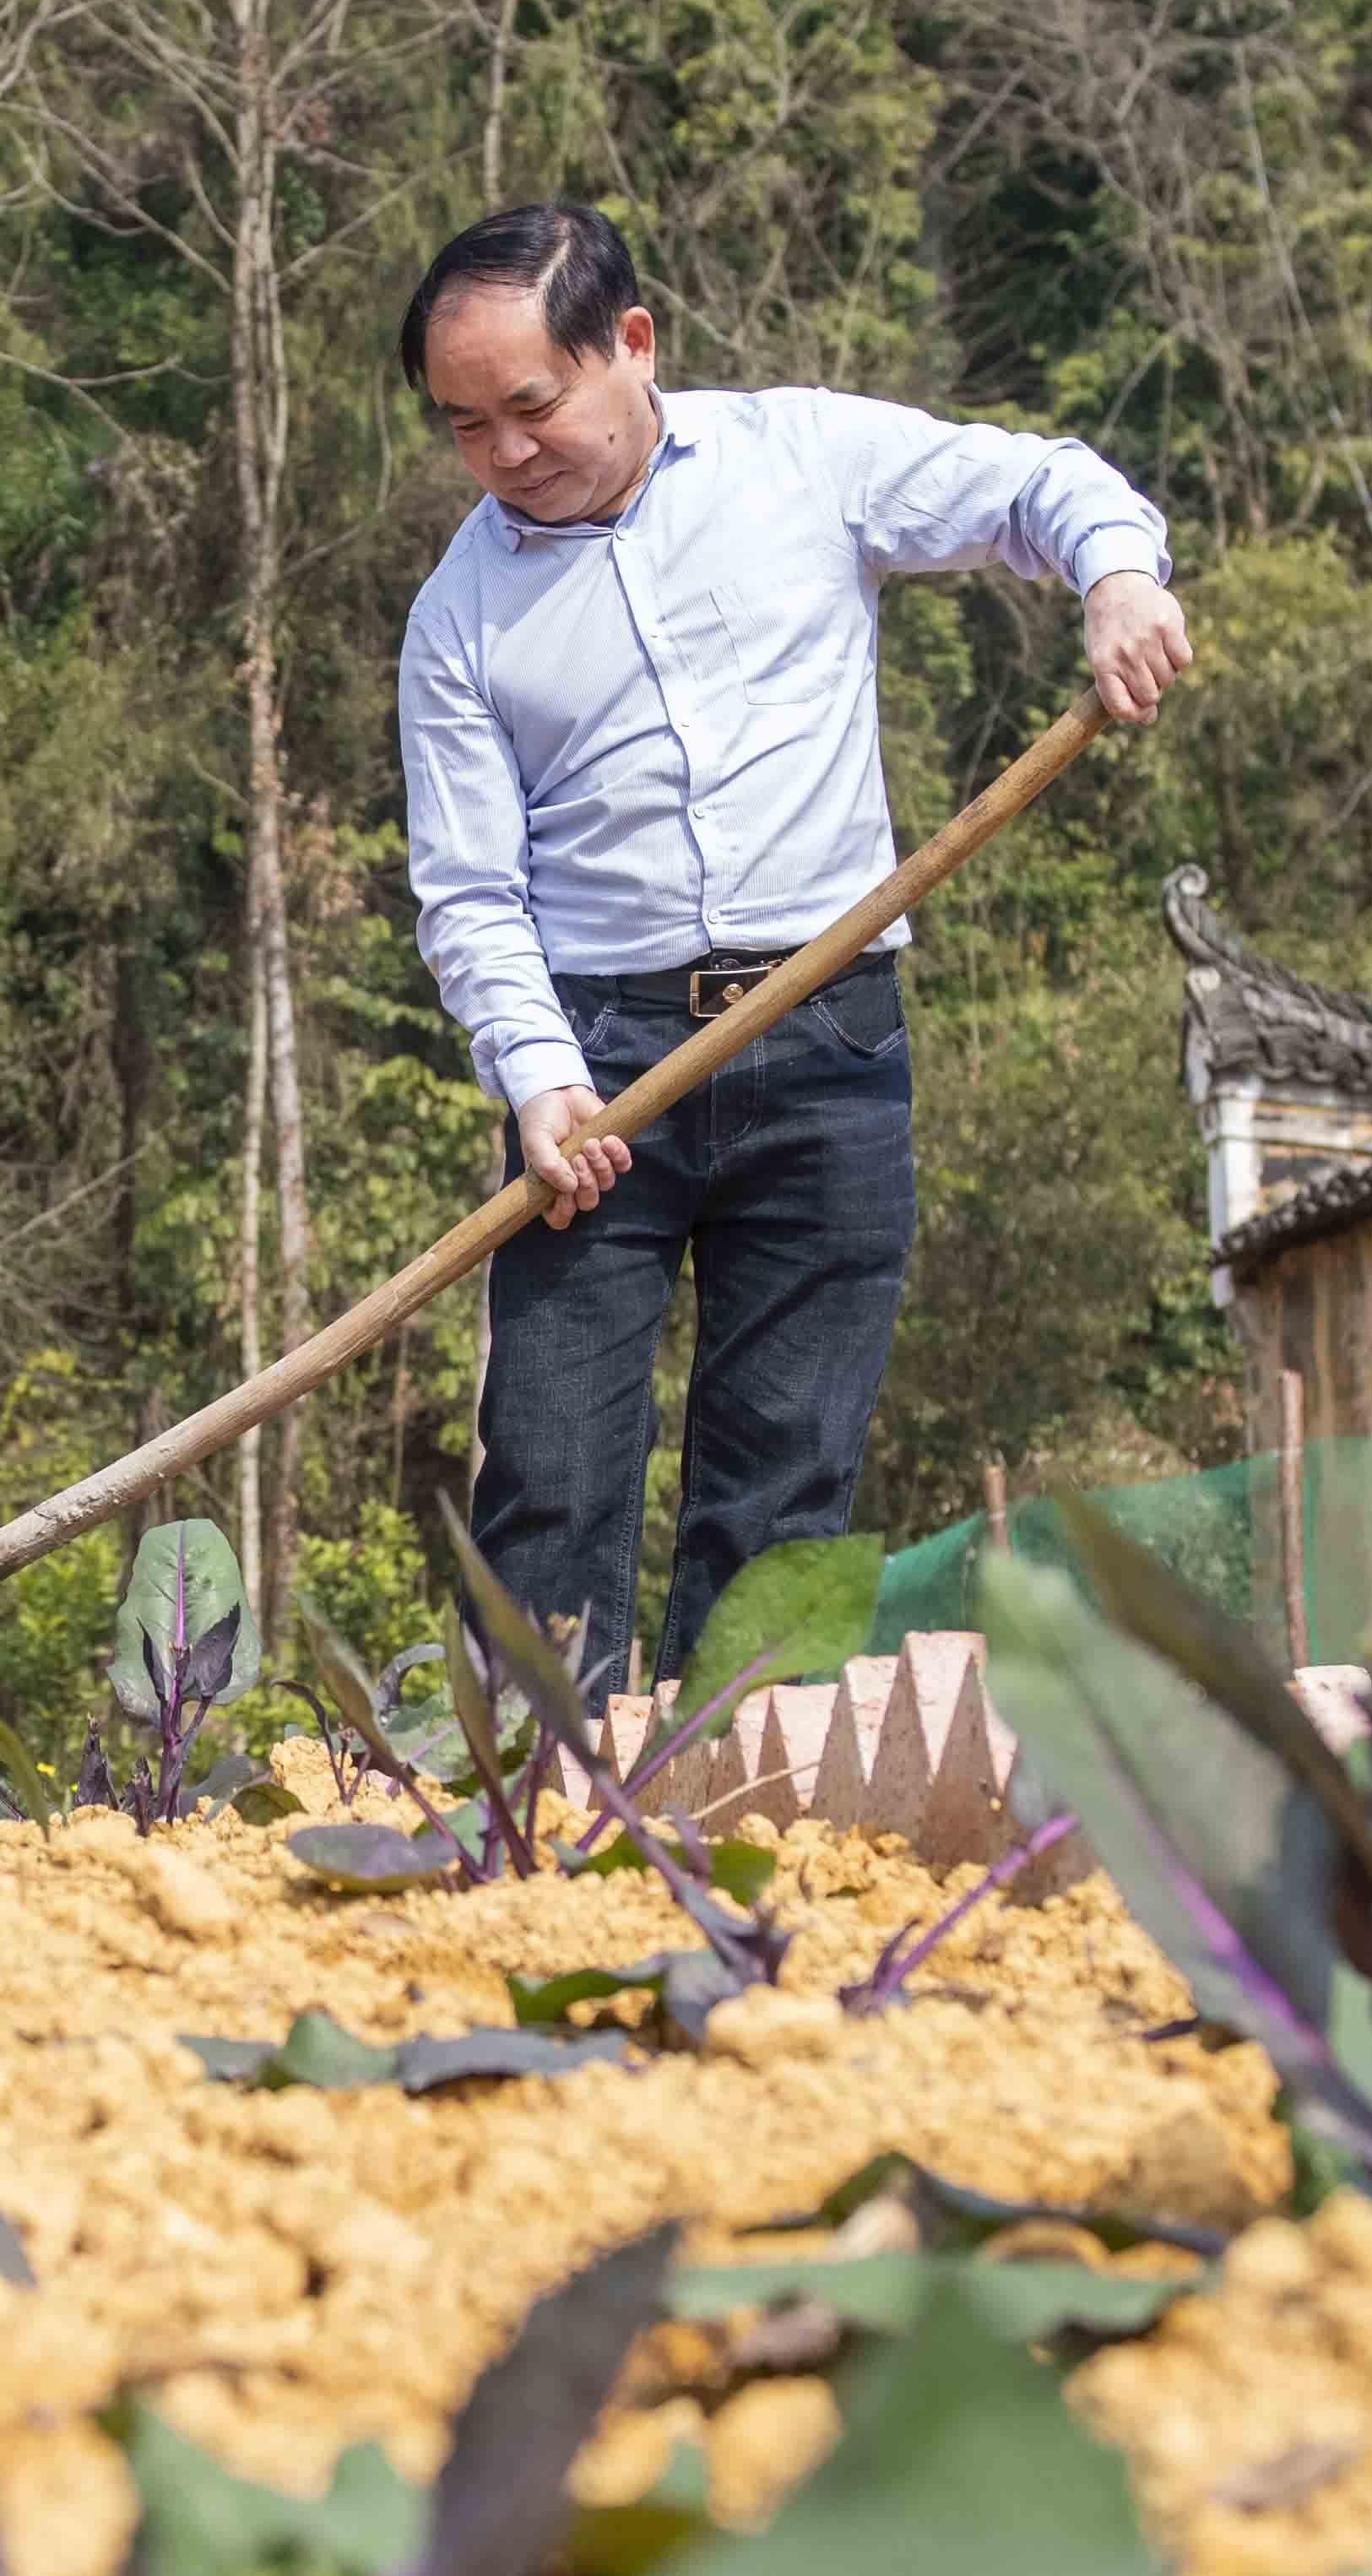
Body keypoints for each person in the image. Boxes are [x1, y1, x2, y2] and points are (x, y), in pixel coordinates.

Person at [395, 204, 1187, 1693]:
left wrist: (1119, 578)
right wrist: (538, 1080)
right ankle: (526, 1829)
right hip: (600, 1071)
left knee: (783, 1483)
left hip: (827, 1037)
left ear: (630, 345)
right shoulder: (459, 620)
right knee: (552, 1476)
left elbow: (1041, 487)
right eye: (463, 427)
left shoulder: (803, 460)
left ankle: (743, 1826)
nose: (503, 455)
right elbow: (472, 892)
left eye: (530, 408)